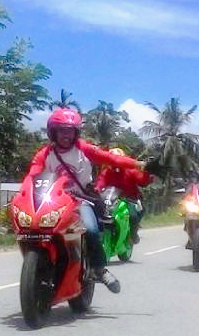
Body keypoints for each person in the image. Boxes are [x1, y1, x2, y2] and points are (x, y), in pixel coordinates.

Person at [25, 108, 145, 293]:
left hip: (80, 199)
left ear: (76, 133)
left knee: (90, 229)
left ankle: (99, 269)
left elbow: (111, 158)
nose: (66, 135)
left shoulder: (84, 149)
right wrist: (23, 194)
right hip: (52, 201)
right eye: (61, 130)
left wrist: (138, 164)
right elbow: (32, 176)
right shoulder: (44, 154)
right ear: (53, 132)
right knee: (33, 228)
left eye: (70, 131)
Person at [94, 148, 153, 244]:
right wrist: (96, 190)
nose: (115, 161)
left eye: (118, 159)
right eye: (112, 159)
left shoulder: (131, 170)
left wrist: (147, 173)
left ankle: (133, 233)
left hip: (129, 200)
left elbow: (142, 181)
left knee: (133, 216)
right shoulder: (107, 172)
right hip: (111, 200)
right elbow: (100, 184)